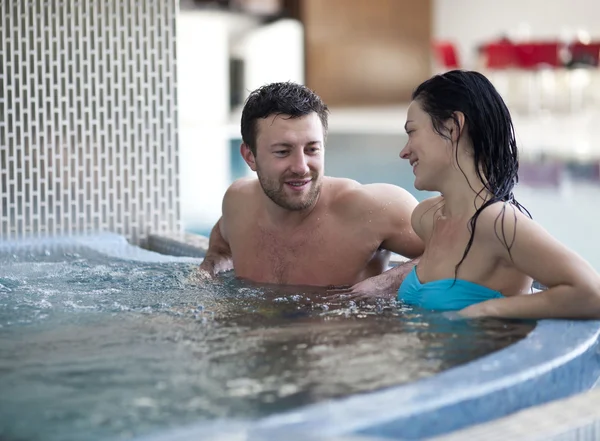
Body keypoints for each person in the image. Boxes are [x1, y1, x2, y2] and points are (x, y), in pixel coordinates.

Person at [395, 69, 600, 319]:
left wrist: (488, 309)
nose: (404, 152)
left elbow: (592, 293)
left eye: (412, 132)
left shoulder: (497, 223)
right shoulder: (426, 218)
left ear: (452, 128)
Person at [198, 82, 424, 291]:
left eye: (312, 149)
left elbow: (456, 252)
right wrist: (213, 265)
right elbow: (221, 240)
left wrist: (386, 283)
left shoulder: (374, 209)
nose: (301, 167)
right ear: (249, 156)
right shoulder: (238, 201)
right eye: (282, 152)